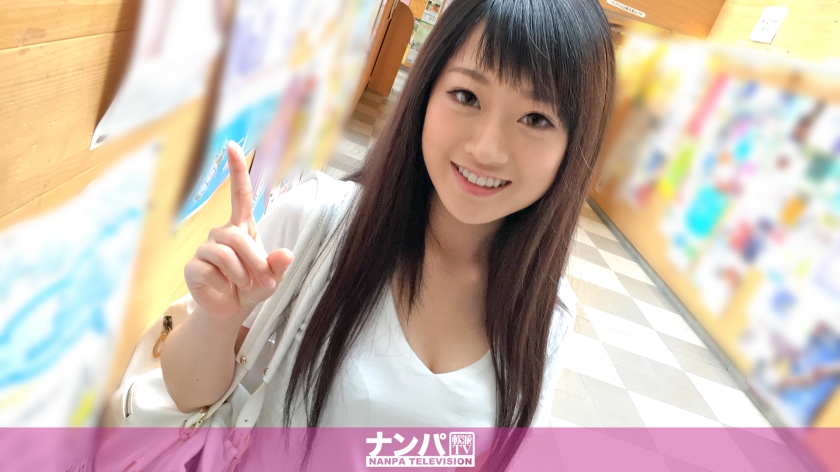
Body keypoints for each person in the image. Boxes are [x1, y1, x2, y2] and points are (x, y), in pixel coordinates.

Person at [160, 0, 615, 467]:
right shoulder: (315, 223)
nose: (487, 149)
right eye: (467, 96)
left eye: (536, 119)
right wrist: (217, 319)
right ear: (426, 91)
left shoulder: (546, 311)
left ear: (574, 144)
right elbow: (188, 395)